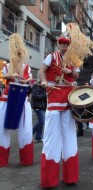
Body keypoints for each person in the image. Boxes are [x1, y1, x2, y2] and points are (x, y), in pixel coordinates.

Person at [39, 23, 93, 188]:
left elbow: (77, 73)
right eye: (61, 44)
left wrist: (70, 72)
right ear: (58, 44)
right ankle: (49, 179)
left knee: (69, 135)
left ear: (69, 45)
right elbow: (41, 70)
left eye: (66, 44)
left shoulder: (74, 58)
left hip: (69, 96)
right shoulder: (51, 56)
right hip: (54, 95)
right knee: (51, 136)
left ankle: (70, 177)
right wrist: (42, 81)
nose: (64, 46)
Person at [0, 33, 33, 167]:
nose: (18, 50)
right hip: (7, 98)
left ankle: (26, 159)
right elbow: (5, 76)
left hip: (21, 98)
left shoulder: (26, 66)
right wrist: (11, 75)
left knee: (25, 128)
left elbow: (30, 78)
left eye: (19, 47)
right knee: (2, 128)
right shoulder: (7, 65)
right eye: (15, 47)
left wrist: (25, 80)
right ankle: (2, 159)